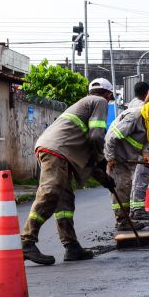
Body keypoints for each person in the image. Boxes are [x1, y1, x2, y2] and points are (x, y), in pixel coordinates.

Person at [20, 78, 116, 265]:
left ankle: (71, 246)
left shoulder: (84, 106)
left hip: (55, 149)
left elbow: (90, 161)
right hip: (57, 150)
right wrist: (102, 157)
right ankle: (26, 241)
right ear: (109, 94)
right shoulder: (100, 102)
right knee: (50, 192)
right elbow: (97, 137)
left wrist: (105, 179)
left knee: (64, 201)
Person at [105, 97, 149, 229]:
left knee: (126, 187)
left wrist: (146, 155)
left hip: (126, 158)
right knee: (121, 188)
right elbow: (112, 136)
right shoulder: (135, 117)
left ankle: (125, 220)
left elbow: (145, 142)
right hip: (116, 156)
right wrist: (110, 157)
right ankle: (122, 222)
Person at [129, 75, 149, 220]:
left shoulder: (134, 103)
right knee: (140, 178)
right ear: (145, 93)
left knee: (138, 179)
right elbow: (146, 105)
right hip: (138, 149)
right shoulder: (137, 105)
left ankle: (134, 209)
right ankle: (137, 209)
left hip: (139, 148)